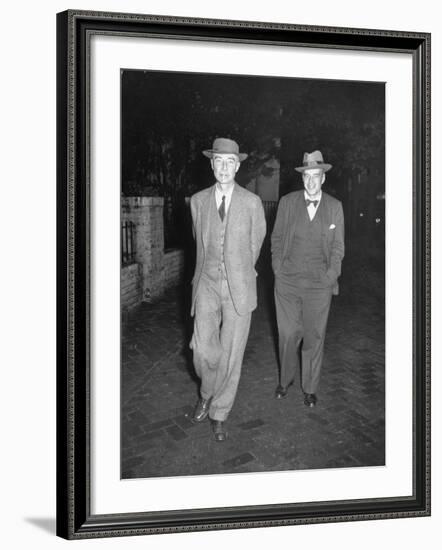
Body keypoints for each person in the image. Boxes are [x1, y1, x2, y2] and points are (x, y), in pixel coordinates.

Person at [189, 137, 266, 441]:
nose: (223, 167)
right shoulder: (198, 201)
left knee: (232, 354)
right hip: (206, 283)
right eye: (218, 161)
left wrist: (238, 273)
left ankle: (219, 411)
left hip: (239, 287)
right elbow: (200, 242)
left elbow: (254, 246)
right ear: (211, 164)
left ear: (238, 165)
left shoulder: (252, 203)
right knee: (202, 349)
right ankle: (207, 391)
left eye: (229, 162)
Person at [271, 150, 344, 407]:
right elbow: (277, 238)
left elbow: (338, 248)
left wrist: (330, 275)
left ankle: (310, 387)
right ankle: (286, 379)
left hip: (319, 285)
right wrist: (278, 268)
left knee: (314, 336)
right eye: (307, 176)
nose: (311, 182)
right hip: (288, 282)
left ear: (323, 178)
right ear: (302, 178)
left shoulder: (335, 207)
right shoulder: (287, 203)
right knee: (288, 333)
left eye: (316, 176)